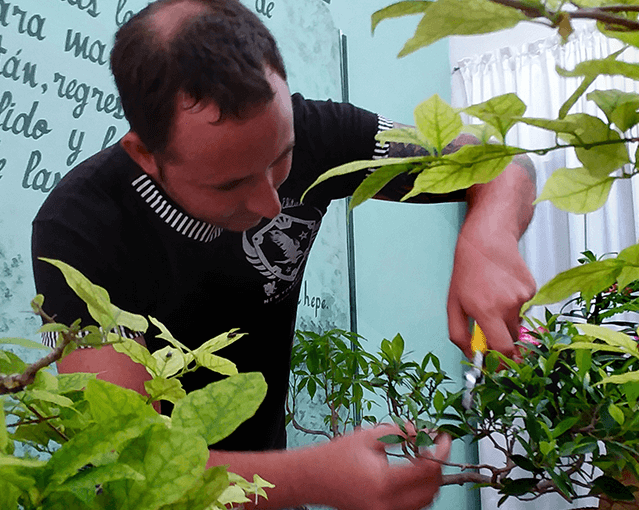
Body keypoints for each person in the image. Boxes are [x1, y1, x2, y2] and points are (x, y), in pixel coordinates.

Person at [30, 0, 537, 508]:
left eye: (282, 159)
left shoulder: (319, 132)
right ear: (146, 155)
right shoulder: (79, 230)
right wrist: (313, 476)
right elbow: (129, 469)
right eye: (229, 184)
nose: (269, 203)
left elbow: (499, 166)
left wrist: (488, 239)